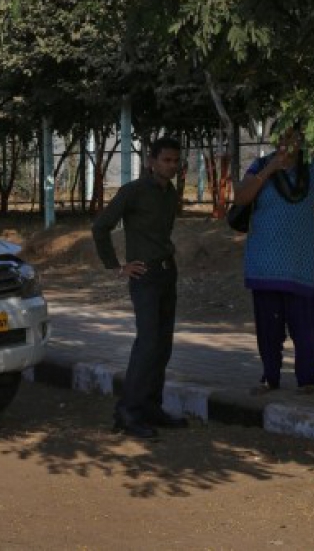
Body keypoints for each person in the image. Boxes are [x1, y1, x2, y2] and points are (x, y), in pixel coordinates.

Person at [232, 123, 314, 395]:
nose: (286, 143)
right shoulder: (260, 166)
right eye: (281, 137)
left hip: (301, 260)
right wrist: (271, 169)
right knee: (269, 326)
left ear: (303, 142)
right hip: (263, 262)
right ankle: (269, 377)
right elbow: (241, 197)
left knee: (305, 324)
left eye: (292, 138)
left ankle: (309, 380)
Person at [92, 137, 188, 439]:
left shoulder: (170, 193)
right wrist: (117, 266)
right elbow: (101, 227)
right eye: (166, 160)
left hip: (166, 274)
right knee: (147, 345)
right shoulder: (133, 191)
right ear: (151, 161)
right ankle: (127, 412)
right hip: (144, 277)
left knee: (162, 346)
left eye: (175, 161)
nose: (171, 166)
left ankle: (150, 407)